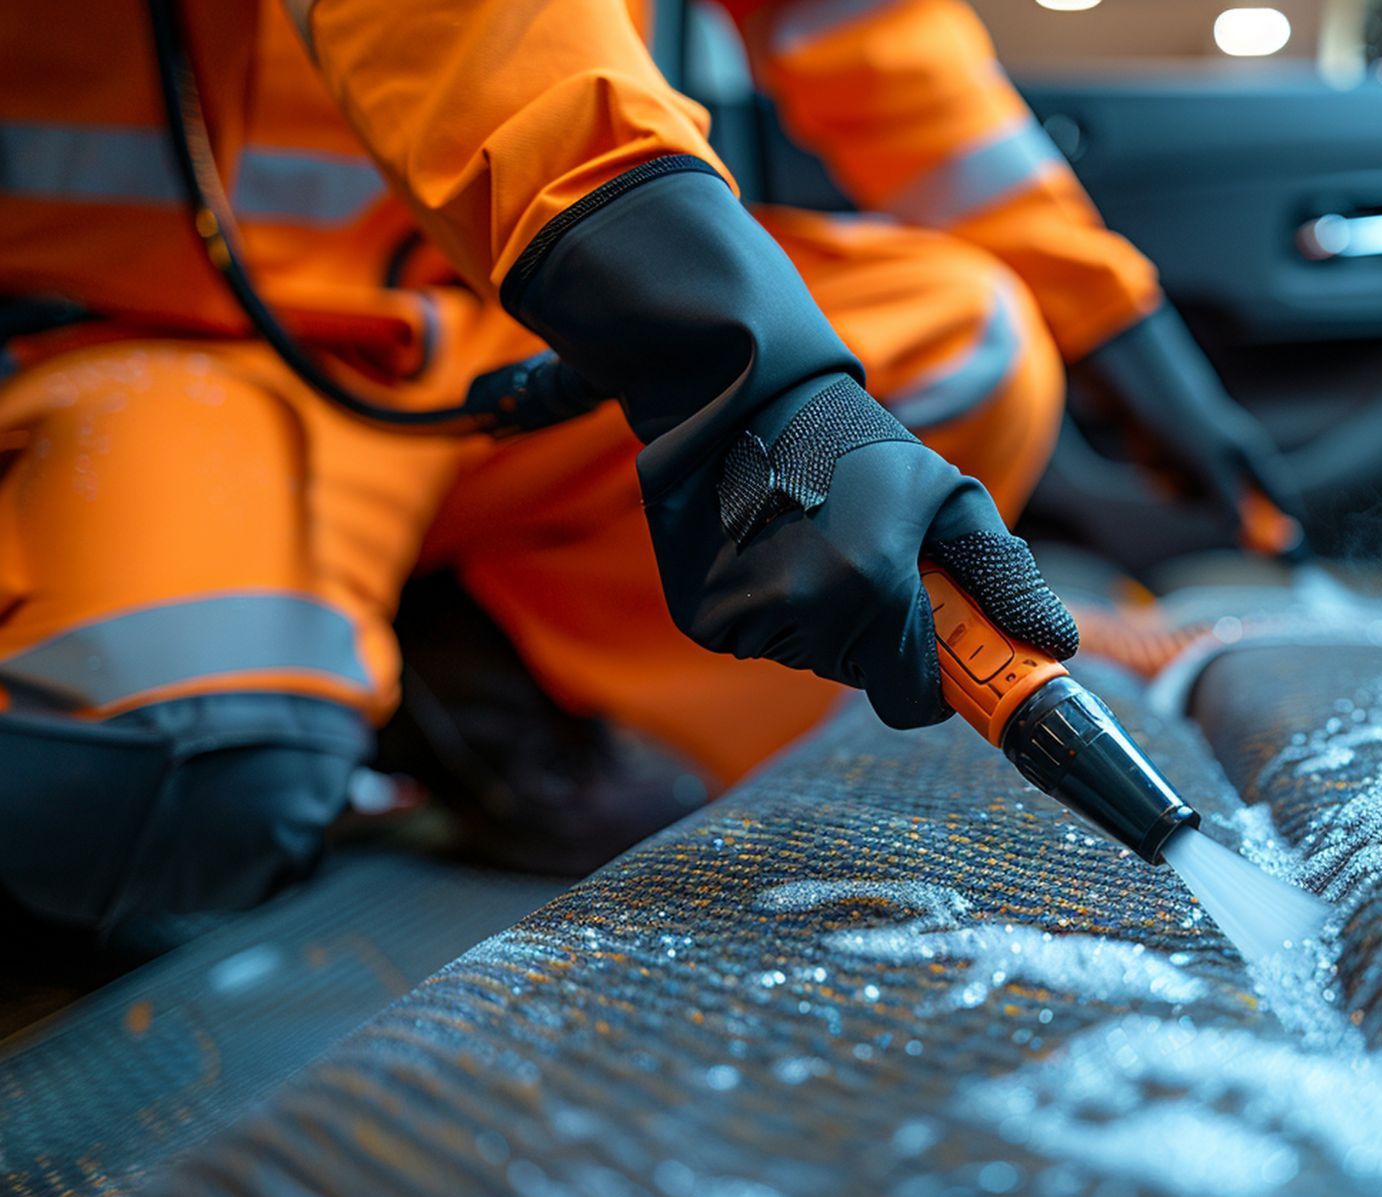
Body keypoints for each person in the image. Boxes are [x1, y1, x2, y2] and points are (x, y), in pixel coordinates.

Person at [0, 0, 1295, 926]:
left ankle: (500, 683)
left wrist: (1105, 310)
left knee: (970, 346)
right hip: (172, 346)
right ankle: (365, 665)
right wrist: (735, 359)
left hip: (512, 323)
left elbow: (862, 23)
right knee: (166, 794)